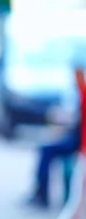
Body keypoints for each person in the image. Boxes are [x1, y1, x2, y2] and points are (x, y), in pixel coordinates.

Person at [27, 68, 85, 208]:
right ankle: (41, 195)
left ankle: (42, 196)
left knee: (46, 151)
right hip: (76, 138)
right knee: (45, 149)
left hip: (78, 142)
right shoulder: (79, 94)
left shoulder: (83, 93)